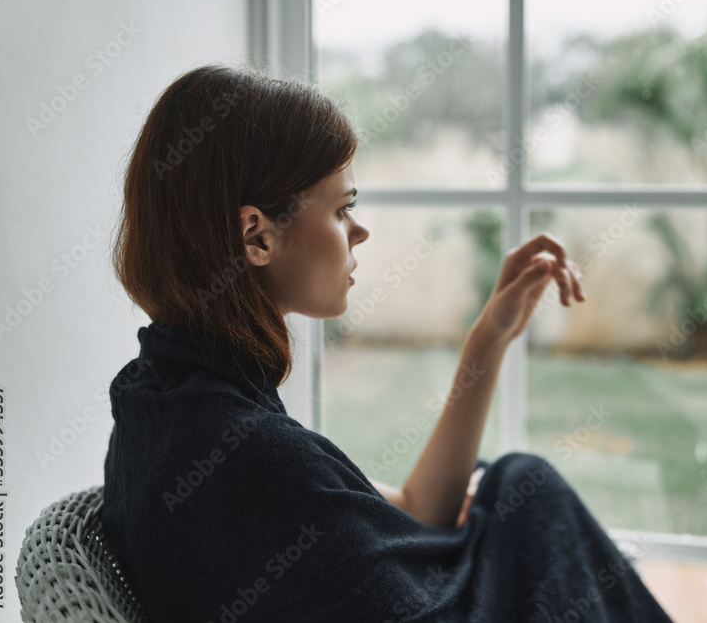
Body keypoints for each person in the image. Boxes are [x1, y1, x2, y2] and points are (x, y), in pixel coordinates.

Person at [102, 64, 675, 622]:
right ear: (256, 236)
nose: (360, 230)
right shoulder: (253, 456)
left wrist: (487, 340)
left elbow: (416, 513)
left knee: (507, 487)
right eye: (342, 208)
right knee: (527, 494)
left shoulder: (159, 396)